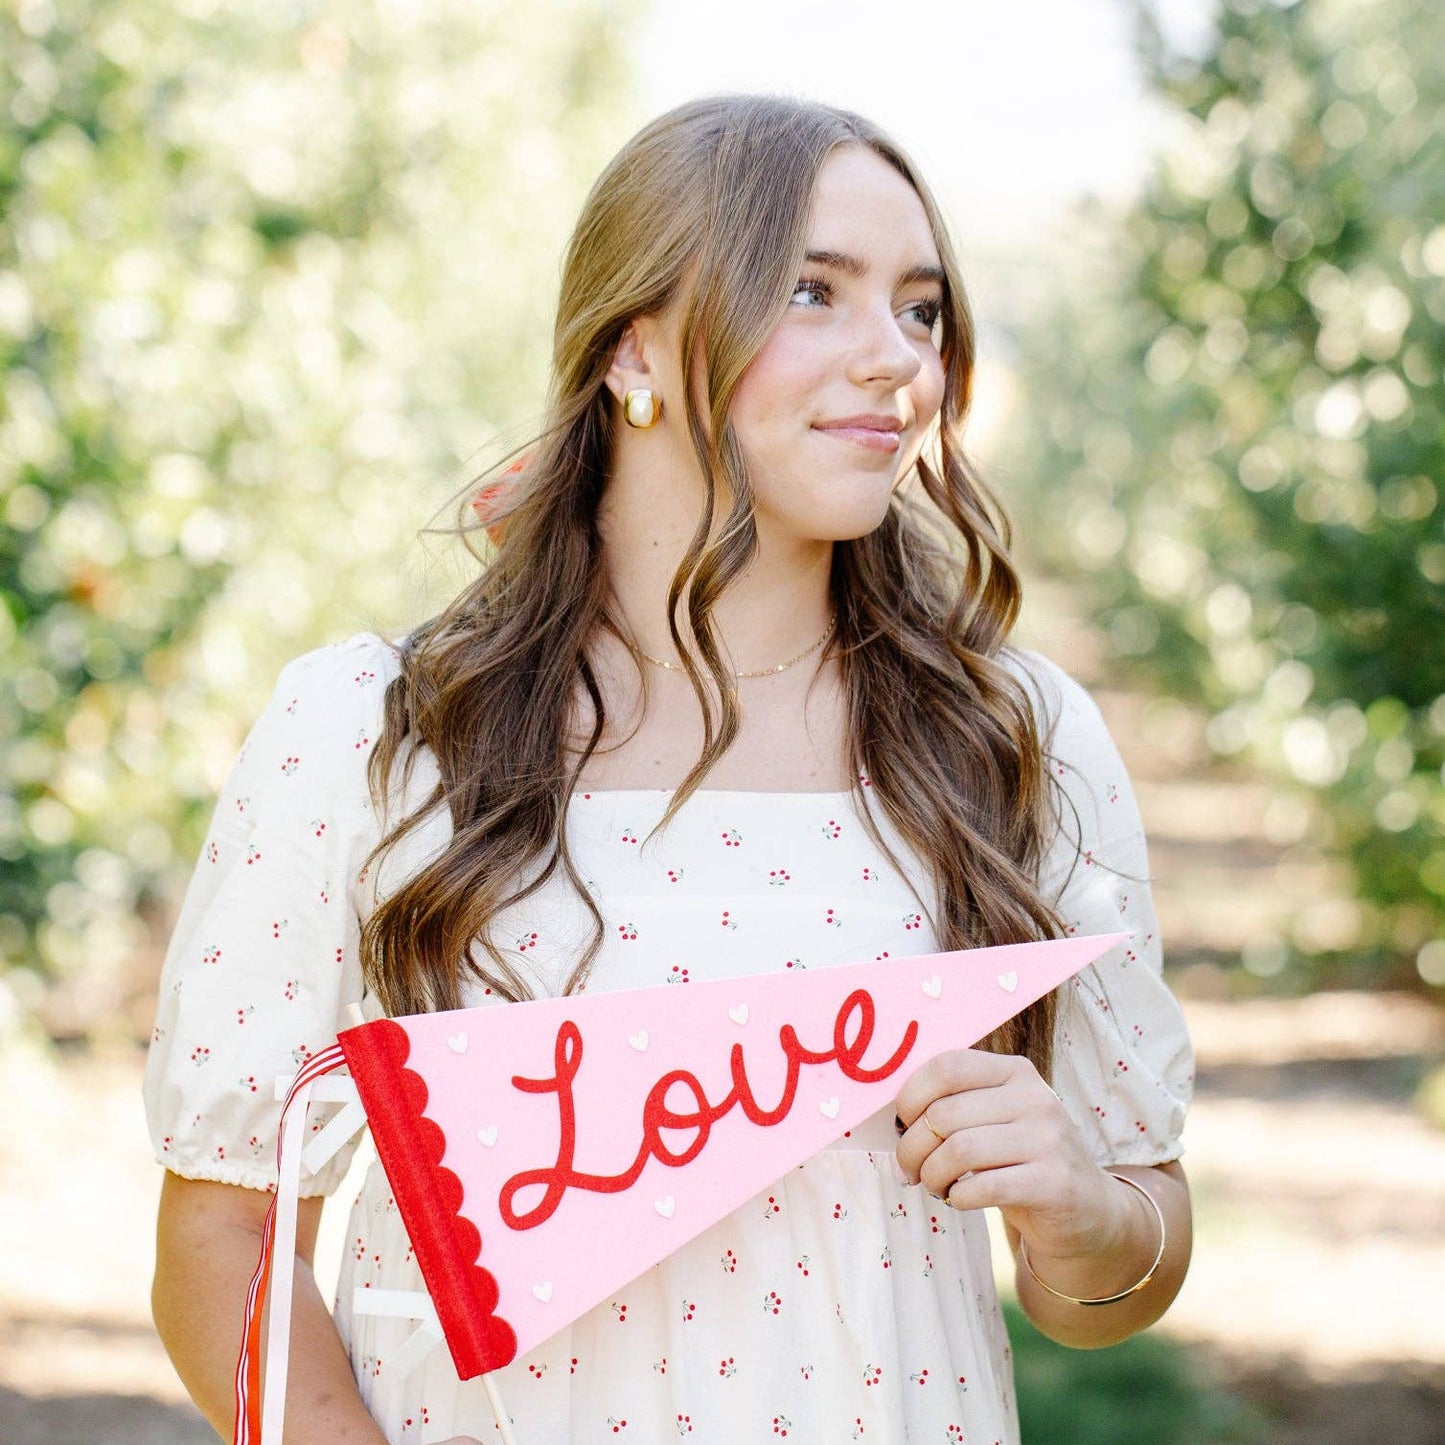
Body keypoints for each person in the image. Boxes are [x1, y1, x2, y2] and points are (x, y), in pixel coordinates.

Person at [145, 94, 1194, 1445]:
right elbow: (224, 1239)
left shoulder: (1013, 736)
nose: (897, 359)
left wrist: (1083, 1209)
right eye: (813, 291)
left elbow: (1115, 1282)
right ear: (632, 344)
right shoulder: (378, 732)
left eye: (921, 310)